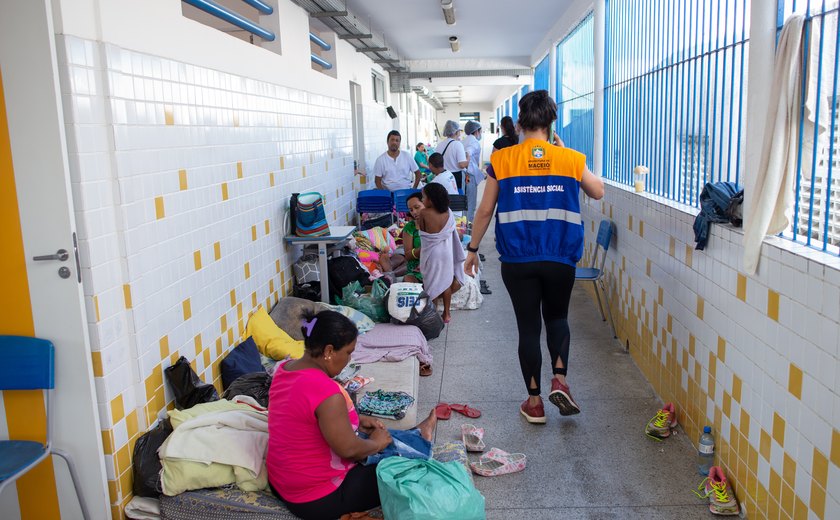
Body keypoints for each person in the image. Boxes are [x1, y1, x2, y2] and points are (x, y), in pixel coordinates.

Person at [464, 90, 605, 425]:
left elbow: (485, 211)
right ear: (551, 122)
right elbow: (598, 191)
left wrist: (472, 250)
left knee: (528, 328)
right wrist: (562, 150)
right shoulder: (570, 158)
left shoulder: (503, 160)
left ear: (521, 122)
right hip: (560, 257)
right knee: (557, 318)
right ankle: (561, 380)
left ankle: (535, 403)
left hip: (518, 259)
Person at [266, 310, 437, 520]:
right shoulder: (326, 392)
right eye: (348, 352)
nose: (349, 360)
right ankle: (417, 440)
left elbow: (306, 419)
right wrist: (376, 444)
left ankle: (416, 434)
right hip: (316, 498)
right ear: (329, 351)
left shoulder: (284, 369)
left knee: (372, 434)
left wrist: (356, 422)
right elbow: (349, 450)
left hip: (282, 482)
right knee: (410, 470)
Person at [416, 183, 465, 324]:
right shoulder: (448, 212)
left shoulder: (424, 213)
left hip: (432, 253)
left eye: (424, 197)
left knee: (432, 282)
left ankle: (433, 313)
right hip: (446, 252)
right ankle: (447, 314)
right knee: (445, 282)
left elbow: (424, 234)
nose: (422, 200)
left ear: (431, 199)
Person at [434, 120, 469, 191]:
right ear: (456, 132)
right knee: (457, 198)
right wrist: (468, 158)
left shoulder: (439, 145)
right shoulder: (458, 144)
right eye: (459, 131)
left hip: (443, 176)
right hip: (456, 177)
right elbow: (462, 164)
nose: (460, 133)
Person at [462, 120, 484, 223]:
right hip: (469, 175)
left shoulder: (464, 140)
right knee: (470, 205)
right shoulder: (474, 141)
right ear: (476, 131)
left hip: (464, 174)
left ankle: (464, 227)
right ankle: (468, 232)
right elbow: (468, 152)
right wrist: (467, 167)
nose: (481, 134)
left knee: (464, 204)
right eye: (480, 131)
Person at [402, 193, 424, 284]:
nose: (414, 212)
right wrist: (424, 249)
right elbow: (407, 255)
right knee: (409, 280)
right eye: (411, 210)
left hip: (436, 266)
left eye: (417, 207)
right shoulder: (410, 228)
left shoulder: (437, 224)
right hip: (416, 270)